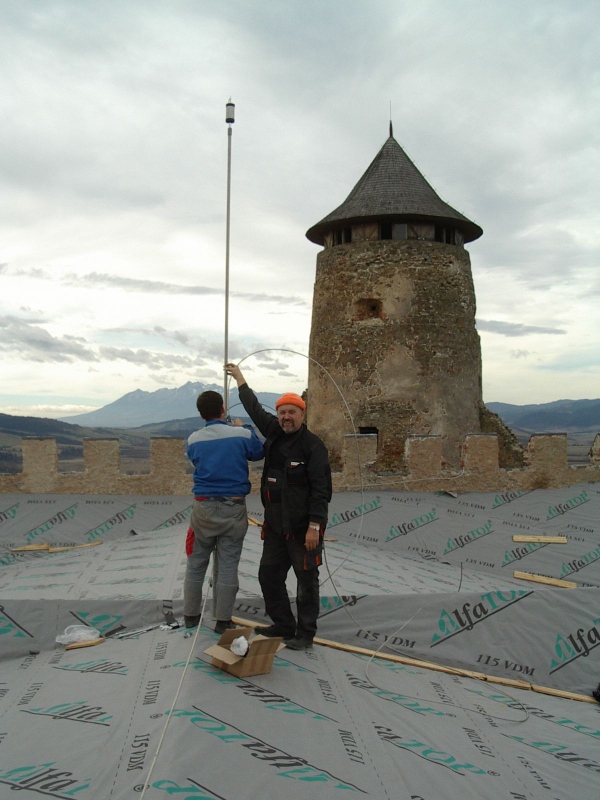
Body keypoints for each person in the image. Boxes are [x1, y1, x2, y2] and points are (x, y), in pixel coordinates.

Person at [225, 363, 332, 650]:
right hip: (275, 529)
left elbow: (321, 491)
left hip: (302, 531)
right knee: (268, 575)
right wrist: (239, 378)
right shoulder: (273, 431)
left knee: (306, 582)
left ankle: (305, 634)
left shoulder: (313, 447)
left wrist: (314, 527)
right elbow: (253, 408)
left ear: (302, 414)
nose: (286, 417)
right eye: (282, 412)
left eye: (292, 412)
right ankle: (283, 625)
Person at [184, 389, 264, 634]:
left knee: (196, 563)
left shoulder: (193, 440)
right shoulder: (241, 434)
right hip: (233, 507)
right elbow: (258, 452)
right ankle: (222, 620)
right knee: (228, 564)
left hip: (203, 508)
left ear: (201, 415)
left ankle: (190, 616)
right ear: (223, 409)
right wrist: (245, 427)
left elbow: (196, 461)